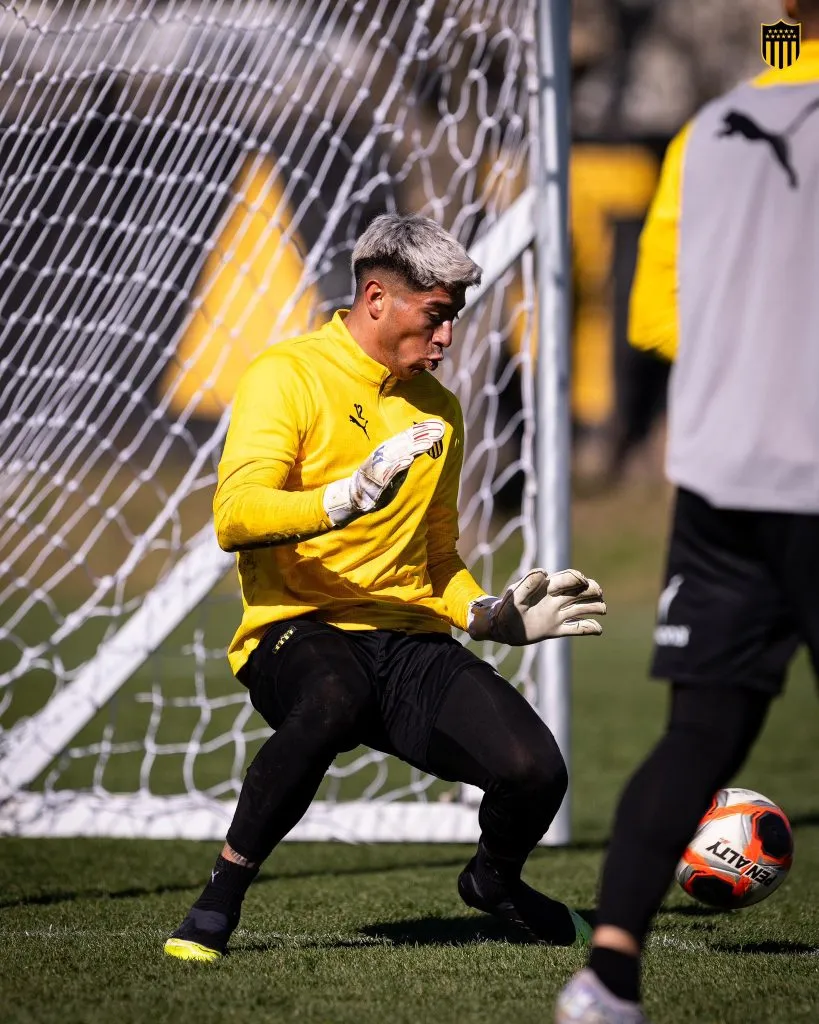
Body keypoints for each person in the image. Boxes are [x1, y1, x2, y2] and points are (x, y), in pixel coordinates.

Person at [164, 213, 607, 962]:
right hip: (296, 630)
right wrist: (340, 499)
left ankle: (493, 883)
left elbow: (436, 557)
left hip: (407, 638)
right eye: (435, 317)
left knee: (536, 772)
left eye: (453, 320)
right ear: (376, 299)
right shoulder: (287, 373)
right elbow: (234, 517)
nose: (446, 339)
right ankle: (219, 897)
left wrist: (486, 613)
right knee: (335, 697)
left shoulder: (438, 408)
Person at [556, 2, 819, 1021]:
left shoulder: (704, 132)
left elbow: (657, 312)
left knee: (698, 734)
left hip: (717, 473)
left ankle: (608, 977)